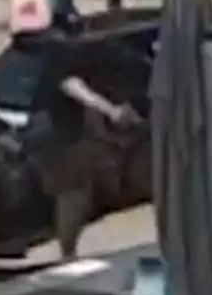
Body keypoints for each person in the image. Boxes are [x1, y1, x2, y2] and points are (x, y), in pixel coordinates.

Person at [26, 36, 139, 260]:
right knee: (73, 194)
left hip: (63, 139)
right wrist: (112, 111)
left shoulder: (52, 66)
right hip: (59, 142)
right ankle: (67, 254)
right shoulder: (61, 67)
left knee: (79, 193)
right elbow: (76, 89)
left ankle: (68, 249)